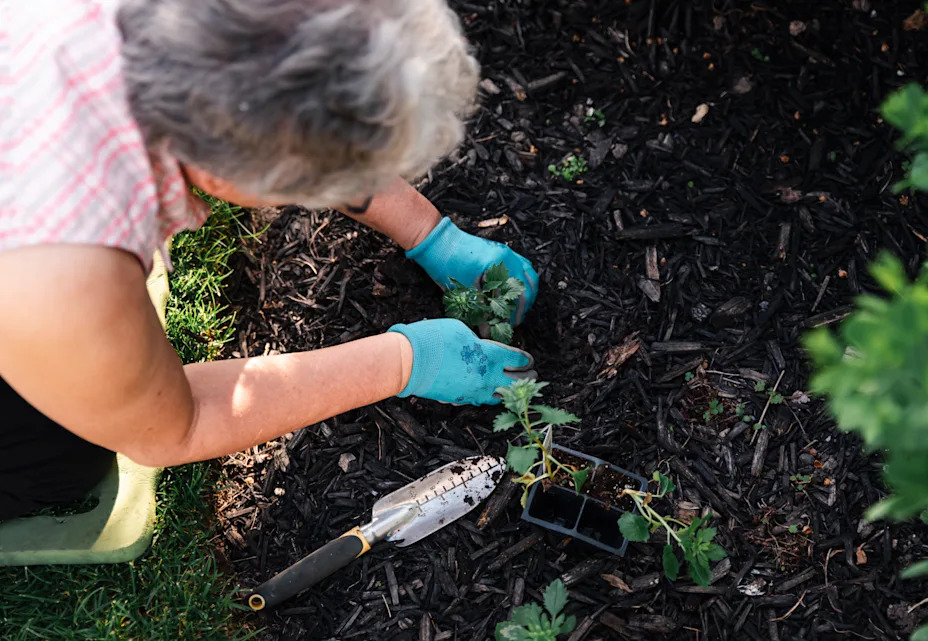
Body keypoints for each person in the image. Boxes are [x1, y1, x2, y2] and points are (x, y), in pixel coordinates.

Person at [0, 0, 539, 520]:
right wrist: (407, 360)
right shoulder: (61, 270)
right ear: (220, 169)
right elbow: (170, 430)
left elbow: (302, 82)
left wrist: (428, 233)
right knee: (61, 452)